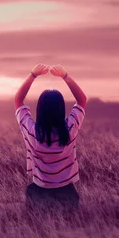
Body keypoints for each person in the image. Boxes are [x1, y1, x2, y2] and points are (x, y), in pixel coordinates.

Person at [14, 63, 87, 210]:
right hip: (67, 194)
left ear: (39, 109)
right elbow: (82, 100)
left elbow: (18, 101)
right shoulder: (70, 129)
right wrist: (65, 76)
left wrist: (33, 75)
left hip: (38, 193)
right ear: (61, 109)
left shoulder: (32, 132)